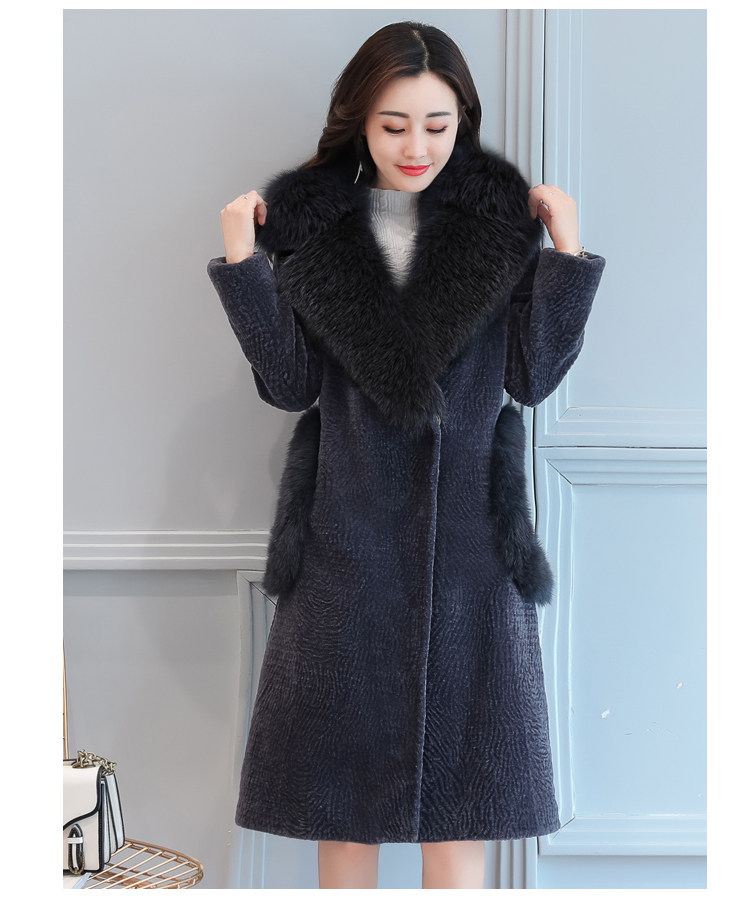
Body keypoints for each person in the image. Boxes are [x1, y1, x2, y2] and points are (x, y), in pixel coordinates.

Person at [208, 21, 605, 889]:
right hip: (344, 554)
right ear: (358, 122)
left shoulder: (501, 230)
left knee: (460, 831)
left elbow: (532, 377)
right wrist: (244, 265)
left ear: (464, 120)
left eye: (437, 124)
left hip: (472, 556)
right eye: (393, 125)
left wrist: (567, 252)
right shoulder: (312, 231)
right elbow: (289, 384)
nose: (416, 146)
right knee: (342, 829)